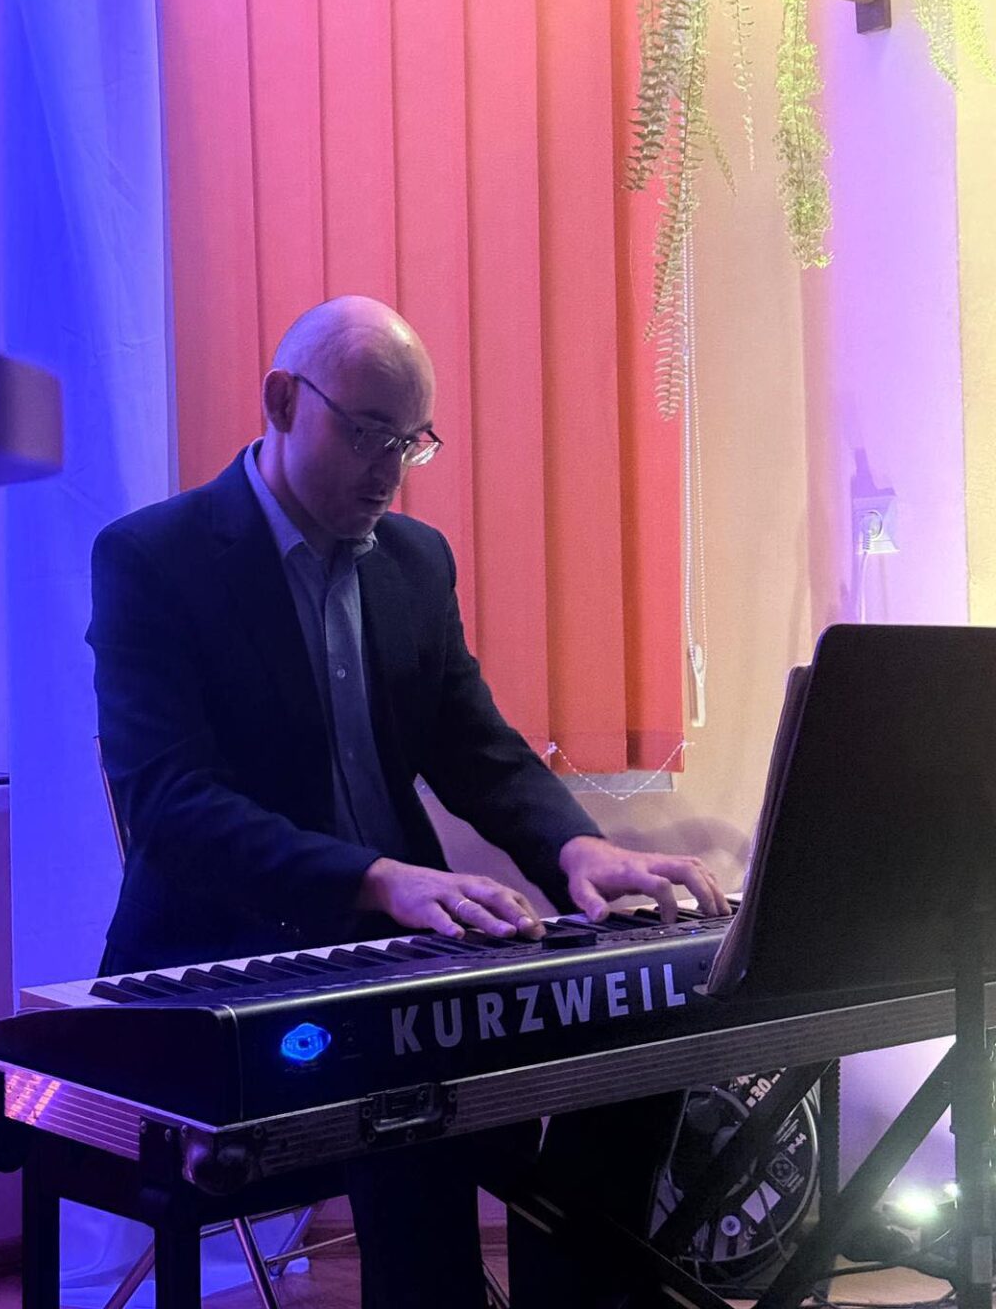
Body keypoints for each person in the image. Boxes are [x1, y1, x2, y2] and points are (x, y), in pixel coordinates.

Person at [87, 294, 727, 1308]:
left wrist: (577, 850)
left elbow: (478, 750)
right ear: (283, 402)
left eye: (411, 442)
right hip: (220, 969)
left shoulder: (415, 563)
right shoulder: (153, 560)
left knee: (636, 1047)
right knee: (410, 1104)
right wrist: (378, 880)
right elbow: (173, 807)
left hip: (402, 960)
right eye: (366, 434)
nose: (389, 470)